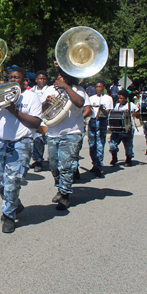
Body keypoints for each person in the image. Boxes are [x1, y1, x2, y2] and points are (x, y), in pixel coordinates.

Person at [0, 67, 42, 233]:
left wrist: (14, 111)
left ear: (24, 80)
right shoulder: (2, 94)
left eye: (16, 77)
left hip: (21, 142)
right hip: (0, 141)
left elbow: (36, 123)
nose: (12, 80)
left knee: (12, 180)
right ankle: (14, 203)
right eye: (10, 77)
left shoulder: (32, 97)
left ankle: (8, 216)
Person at [40, 69, 90, 210]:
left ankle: (65, 195)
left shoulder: (78, 90)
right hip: (53, 132)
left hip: (72, 132)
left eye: (65, 77)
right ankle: (60, 187)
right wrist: (47, 103)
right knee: (53, 165)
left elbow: (80, 103)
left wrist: (66, 88)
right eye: (59, 76)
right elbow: (41, 109)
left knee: (66, 165)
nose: (61, 78)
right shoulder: (49, 89)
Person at [88, 81, 113, 178]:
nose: (99, 88)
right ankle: (94, 163)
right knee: (92, 145)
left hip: (102, 121)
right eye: (97, 87)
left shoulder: (108, 98)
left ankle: (99, 166)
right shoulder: (91, 98)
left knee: (100, 144)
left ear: (104, 88)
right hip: (93, 121)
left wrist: (102, 109)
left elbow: (108, 113)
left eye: (101, 87)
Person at [109, 90, 139, 167]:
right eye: (119, 98)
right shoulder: (117, 106)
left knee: (128, 146)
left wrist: (134, 113)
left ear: (126, 98)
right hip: (117, 129)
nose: (119, 99)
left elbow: (138, 113)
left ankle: (129, 159)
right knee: (112, 144)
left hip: (127, 129)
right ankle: (114, 157)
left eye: (121, 98)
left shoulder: (131, 105)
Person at [29, 70, 48, 172]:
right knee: (36, 141)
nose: (42, 81)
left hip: (47, 119)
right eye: (40, 78)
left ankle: (42, 160)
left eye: (44, 79)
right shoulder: (31, 91)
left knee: (42, 140)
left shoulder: (49, 90)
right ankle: (37, 160)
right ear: (36, 80)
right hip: (35, 119)